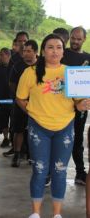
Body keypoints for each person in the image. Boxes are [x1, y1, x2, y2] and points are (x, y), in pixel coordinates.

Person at [16, 34, 90, 218]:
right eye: (50, 47)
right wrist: (33, 112)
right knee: (40, 170)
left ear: (63, 52)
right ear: (43, 51)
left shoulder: (71, 73)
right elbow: (20, 98)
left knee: (59, 171)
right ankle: (35, 213)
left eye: (58, 47)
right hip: (38, 128)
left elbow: (79, 101)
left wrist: (80, 105)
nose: (54, 51)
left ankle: (57, 214)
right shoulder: (30, 72)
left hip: (64, 127)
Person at [61, 26, 90, 185]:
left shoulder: (88, 58)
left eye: (79, 39)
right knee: (59, 140)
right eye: (73, 38)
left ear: (84, 39)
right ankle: (52, 173)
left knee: (77, 140)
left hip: (81, 108)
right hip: (60, 106)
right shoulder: (62, 54)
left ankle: (80, 172)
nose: (75, 41)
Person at [9, 40, 38, 167]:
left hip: (38, 105)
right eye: (24, 51)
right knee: (18, 130)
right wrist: (20, 97)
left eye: (29, 51)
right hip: (20, 104)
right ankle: (17, 154)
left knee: (35, 131)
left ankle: (33, 155)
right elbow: (12, 84)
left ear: (36, 52)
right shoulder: (17, 66)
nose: (25, 54)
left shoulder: (42, 66)